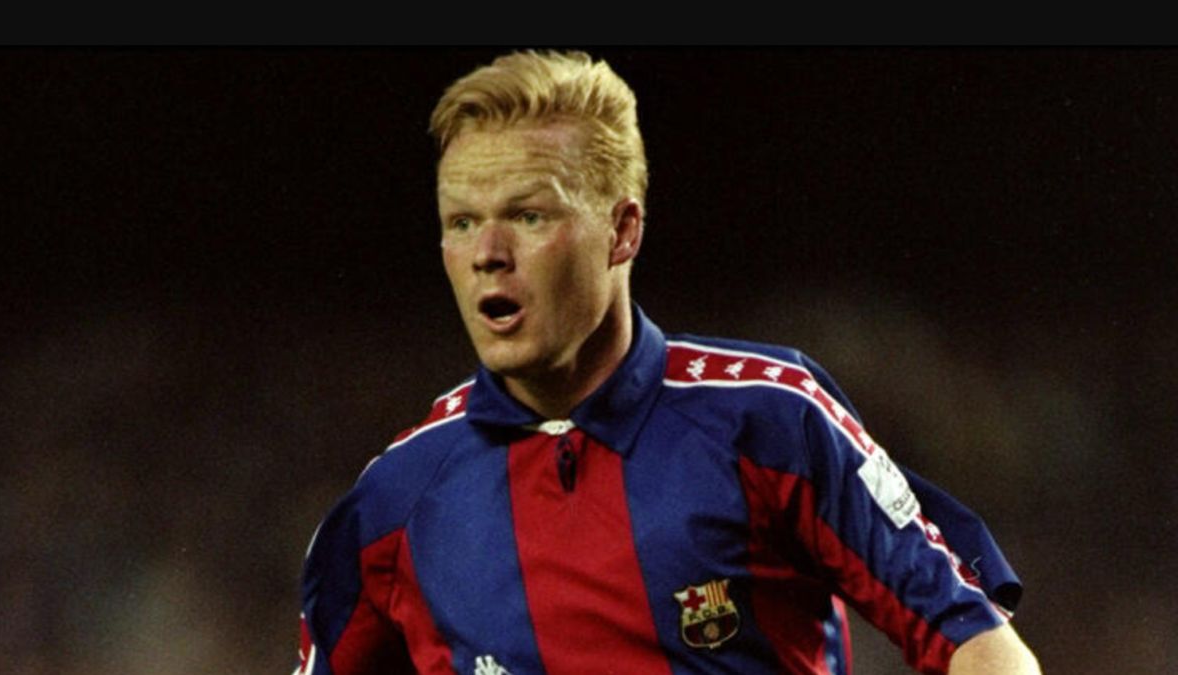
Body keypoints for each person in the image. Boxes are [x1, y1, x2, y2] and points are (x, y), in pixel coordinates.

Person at [293, 50, 1041, 675]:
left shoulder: (771, 419)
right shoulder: (395, 499)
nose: (488, 253)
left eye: (528, 215)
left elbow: (979, 644)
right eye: (461, 222)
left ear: (622, 231)